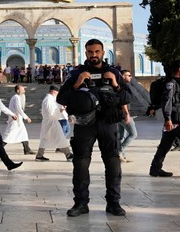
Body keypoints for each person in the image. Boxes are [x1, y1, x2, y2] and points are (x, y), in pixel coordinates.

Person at [57, 39, 131, 217]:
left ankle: (113, 203)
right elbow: (61, 99)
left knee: (112, 162)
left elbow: (127, 97)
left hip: (108, 122)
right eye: (90, 52)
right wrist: (77, 83)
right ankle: (81, 203)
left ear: (103, 53)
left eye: (97, 52)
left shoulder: (113, 72)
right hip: (84, 124)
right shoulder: (76, 73)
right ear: (86, 53)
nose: (94, 55)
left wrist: (115, 83)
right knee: (81, 163)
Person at [35, 86, 73, 161]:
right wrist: (60, 110)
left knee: (45, 139)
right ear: (54, 92)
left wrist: (61, 109)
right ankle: (68, 155)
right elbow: (51, 113)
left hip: (50, 122)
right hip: (51, 122)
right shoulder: (48, 100)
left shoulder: (50, 99)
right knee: (61, 137)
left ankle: (39, 155)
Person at [2, 85, 35, 155]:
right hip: (15, 120)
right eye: (22, 90)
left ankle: (27, 149)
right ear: (17, 90)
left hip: (18, 120)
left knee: (24, 134)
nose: (24, 91)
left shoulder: (17, 97)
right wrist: (26, 117)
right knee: (9, 136)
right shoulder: (16, 97)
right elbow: (18, 109)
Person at [117, 69, 137, 162]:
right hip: (123, 114)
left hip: (118, 114)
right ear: (123, 76)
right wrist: (127, 115)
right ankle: (120, 151)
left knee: (121, 136)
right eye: (128, 75)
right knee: (133, 134)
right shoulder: (123, 87)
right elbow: (123, 103)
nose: (130, 77)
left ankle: (121, 156)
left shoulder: (118, 85)